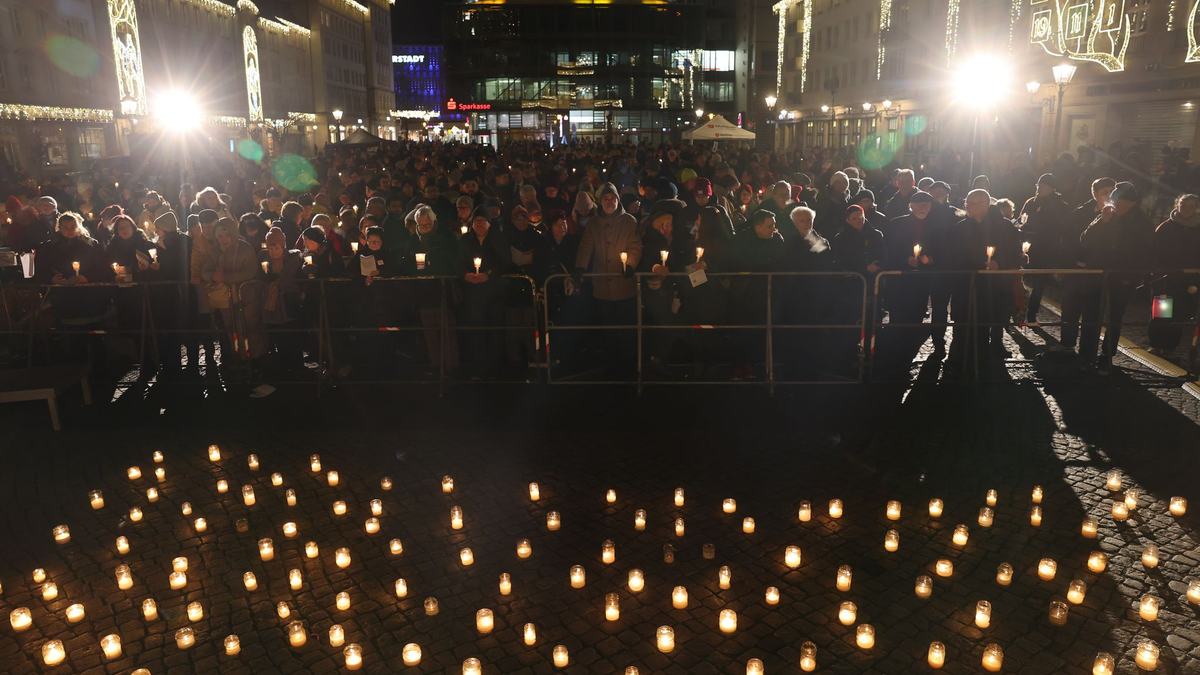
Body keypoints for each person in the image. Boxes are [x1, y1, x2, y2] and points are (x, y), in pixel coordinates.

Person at [1079, 182, 1155, 374]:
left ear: (1131, 203)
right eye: (1114, 199)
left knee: (1114, 318)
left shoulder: (1143, 223)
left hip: (1122, 279)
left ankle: (1107, 357)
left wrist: (1132, 277)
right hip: (1097, 276)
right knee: (1090, 316)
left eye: (1119, 200)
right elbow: (1085, 241)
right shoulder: (1106, 216)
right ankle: (1085, 355)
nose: (1115, 203)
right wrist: (1102, 222)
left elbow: (1146, 254)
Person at [944, 190, 1022, 373]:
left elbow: (1014, 251)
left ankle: (982, 363)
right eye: (967, 203)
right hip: (965, 285)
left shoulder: (1004, 227)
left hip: (991, 286)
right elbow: (951, 253)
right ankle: (959, 359)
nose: (968, 207)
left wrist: (999, 263)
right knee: (962, 323)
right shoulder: (961, 227)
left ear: (985, 205)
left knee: (984, 323)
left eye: (973, 203)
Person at [574, 182, 642, 375]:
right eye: (606, 198)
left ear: (618, 200)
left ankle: (628, 365)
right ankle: (611, 364)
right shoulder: (593, 224)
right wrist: (580, 267)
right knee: (608, 328)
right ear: (601, 202)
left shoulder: (629, 221)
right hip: (603, 287)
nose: (610, 202)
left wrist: (630, 265)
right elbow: (586, 246)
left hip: (624, 286)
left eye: (612, 198)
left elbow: (635, 246)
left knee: (626, 328)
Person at [35, 212, 112, 369]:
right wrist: (52, 278)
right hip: (67, 301)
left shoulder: (91, 244)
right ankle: (79, 371)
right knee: (75, 339)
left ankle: (101, 370)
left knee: (96, 337)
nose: (69, 231)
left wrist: (87, 277)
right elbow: (41, 269)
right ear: (59, 228)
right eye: (65, 227)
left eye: (73, 227)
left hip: (91, 300)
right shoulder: (50, 248)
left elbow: (104, 268)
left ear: (79, 226)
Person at [1058, 177, 1116, 353]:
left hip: (1099, 272)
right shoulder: (1081, 213)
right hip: (1078, 269)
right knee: (1070, 309)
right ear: (1095, 194)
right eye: (1104, 192)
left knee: (1093, 314)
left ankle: (1087, 352)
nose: (1109, 195)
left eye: (1112, 192)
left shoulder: (1118, 215)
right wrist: (1069, 264)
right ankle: (1067, 345)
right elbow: (1068, 239)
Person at [732, 209, 787, 379]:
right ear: (758, 227)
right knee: (741, 329)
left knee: (760, 330)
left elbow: (779, 260)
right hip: (744, 292)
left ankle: (753, 364)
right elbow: (741, 260)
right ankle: (738, 364)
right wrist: (763, 261)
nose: (773, 229)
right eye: (770, 226)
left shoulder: (777, 239)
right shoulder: (742, 238)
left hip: (767, 292)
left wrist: (761, 261)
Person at [460, 206, 510, 378]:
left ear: (489, 223)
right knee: (477, 330)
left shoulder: (499, 239)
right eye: (476, 221)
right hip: (474, 294)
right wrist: (465, 275)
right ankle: (479, 367)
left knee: (495, 330)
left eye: (483, 221)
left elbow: (505, 262)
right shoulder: (466, 240)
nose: (479, 224)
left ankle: (495, 367)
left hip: (494, 293)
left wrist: (489, 275)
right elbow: (458, 262)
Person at [1149, 194, 1200, 358]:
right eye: (1183, 206)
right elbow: (1155, 251)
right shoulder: (1166, 228)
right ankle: (1156, 344)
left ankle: (1170, 347)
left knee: (1179, 314)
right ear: (1177, 206)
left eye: (1191, 206)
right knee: (1161, 312)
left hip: (1187, 280)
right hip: (1166, 279)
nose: (1187, 210)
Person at [1017, 173, 1070, 326]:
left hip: (1046, 248)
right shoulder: (1031, 202)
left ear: (1051, 188)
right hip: (1028, 245)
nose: (1040, 188)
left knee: (1039, 282)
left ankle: (1032, 313)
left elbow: (1062, 227)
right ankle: (1018, 310)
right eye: (1038, 185)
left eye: (1044, 186)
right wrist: (1023, 226)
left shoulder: (1060, 205)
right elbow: (1022, 219)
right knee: (1021, 278)